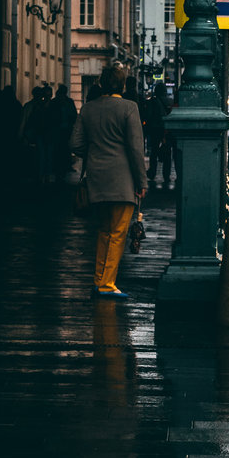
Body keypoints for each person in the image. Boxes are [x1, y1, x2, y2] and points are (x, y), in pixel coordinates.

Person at [70, 63, 147, 297]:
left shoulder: (88, 109)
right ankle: (107, 284)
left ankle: (99, 279)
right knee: (117, 234)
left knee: (103, 231)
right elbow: (135, 149)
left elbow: (75, 144)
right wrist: (142, 181)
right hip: (123, 181)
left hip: (96, 178)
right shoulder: (129, 108)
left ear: (101, 83)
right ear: (123, 85)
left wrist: (93, 153)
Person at [145, 84, 173, 189]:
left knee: (154, 152)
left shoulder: (153, 101)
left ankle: (152, 172)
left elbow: (149, 115)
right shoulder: (170, 101)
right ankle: (167, 175)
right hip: (167, 130)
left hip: (155, 129)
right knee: (167, 152)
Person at [48, 83, 78, 180]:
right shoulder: (65, 102)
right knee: (62, 149)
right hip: (60, 130)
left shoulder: (59, 102)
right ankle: (61, 167)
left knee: (62, 149)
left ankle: (62, 167)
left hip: (63, 130)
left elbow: (73, 115)